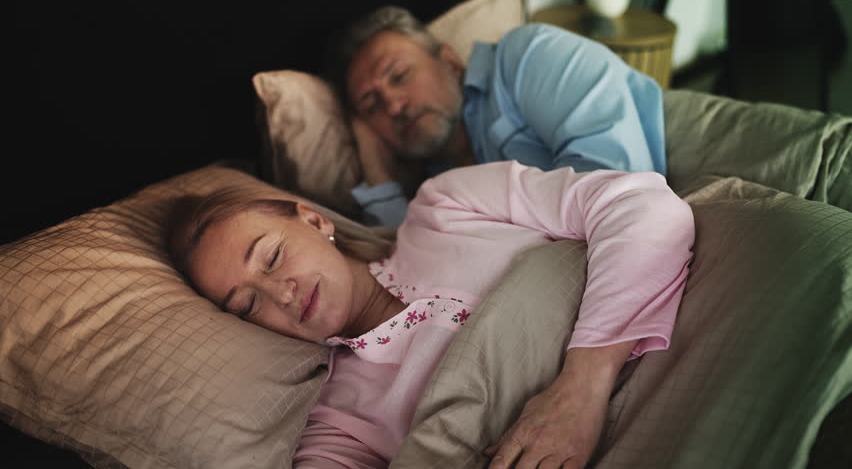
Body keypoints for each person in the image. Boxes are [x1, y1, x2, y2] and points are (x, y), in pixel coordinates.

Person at [168, 160, 695, 468]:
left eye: (273, 257)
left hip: (687, 343)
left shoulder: (445, 206)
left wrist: (582, 387)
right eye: (248, 304)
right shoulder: (334, 420)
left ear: (312, 219)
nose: (280, 293)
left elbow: (639, 203)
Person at [324, 6, 667, 228]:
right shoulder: (432, 192)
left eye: (399, 76)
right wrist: (380, 174)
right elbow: (416, 269)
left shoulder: (527, 55)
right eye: (371, 106)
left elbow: (617, 193)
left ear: (450, 62)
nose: (393, 106)